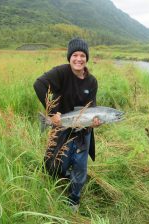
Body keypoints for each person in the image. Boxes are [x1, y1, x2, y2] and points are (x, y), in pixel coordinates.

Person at [33, 38, 101, 210]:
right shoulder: (61, 72)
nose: (79, 59)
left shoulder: (92, 82)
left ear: (87, 58)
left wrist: (94, 123)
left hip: (82, 131)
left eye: (82, 55)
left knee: (80, 166)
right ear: (69, 57)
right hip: (61, 125)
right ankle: (56, 183)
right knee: (54, 163)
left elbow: (91, 107)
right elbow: (38, 85)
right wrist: (52, 113)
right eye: (75, 55)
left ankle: (74, 199)